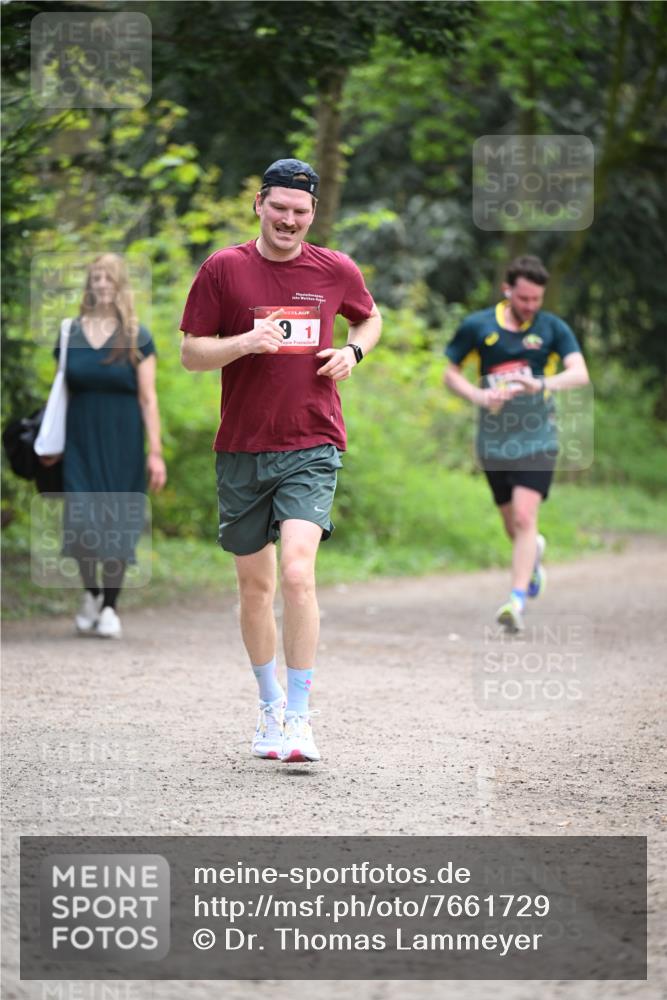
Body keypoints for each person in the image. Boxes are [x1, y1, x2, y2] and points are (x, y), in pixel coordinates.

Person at [180, 158, 381, 763]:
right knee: (255, 586)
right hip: (242, 447)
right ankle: (268, 703)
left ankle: (299, 716)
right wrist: (244, 342)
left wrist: (353, 352)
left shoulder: (335, 269)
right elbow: (191, 353)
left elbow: (370, 318)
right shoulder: (223, 269)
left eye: (300, 211)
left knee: (296, 573)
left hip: (311, 442)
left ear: (313, 213)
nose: (288, 220)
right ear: (259, 205)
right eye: (279, 208)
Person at [443, 255, 590, 633]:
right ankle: (533, 556)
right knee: (513, 524)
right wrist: (478, 396)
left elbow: (579, 373)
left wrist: (541, 384)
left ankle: (516, 600)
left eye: (536, 299)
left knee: (525, 517)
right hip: (494, 441)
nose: (530, 306)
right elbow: (450, 373)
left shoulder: (552, 327)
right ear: (507, 290)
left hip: (538, 437)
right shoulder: (478, 326)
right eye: (524, 298)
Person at [40, 253, 167, 638]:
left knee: (118, 522)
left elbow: (149, 398)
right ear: (89, 284)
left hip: (123, 441)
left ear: (120, 285)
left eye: (108, 278)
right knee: (79, 520)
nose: (101, 284)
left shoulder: (138, 336)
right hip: (78, 440)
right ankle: (91, 593)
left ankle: (110, 606)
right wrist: (50, 439)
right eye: (95, 277)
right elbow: (59, 392)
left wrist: (156, 452)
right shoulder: (69, 333)